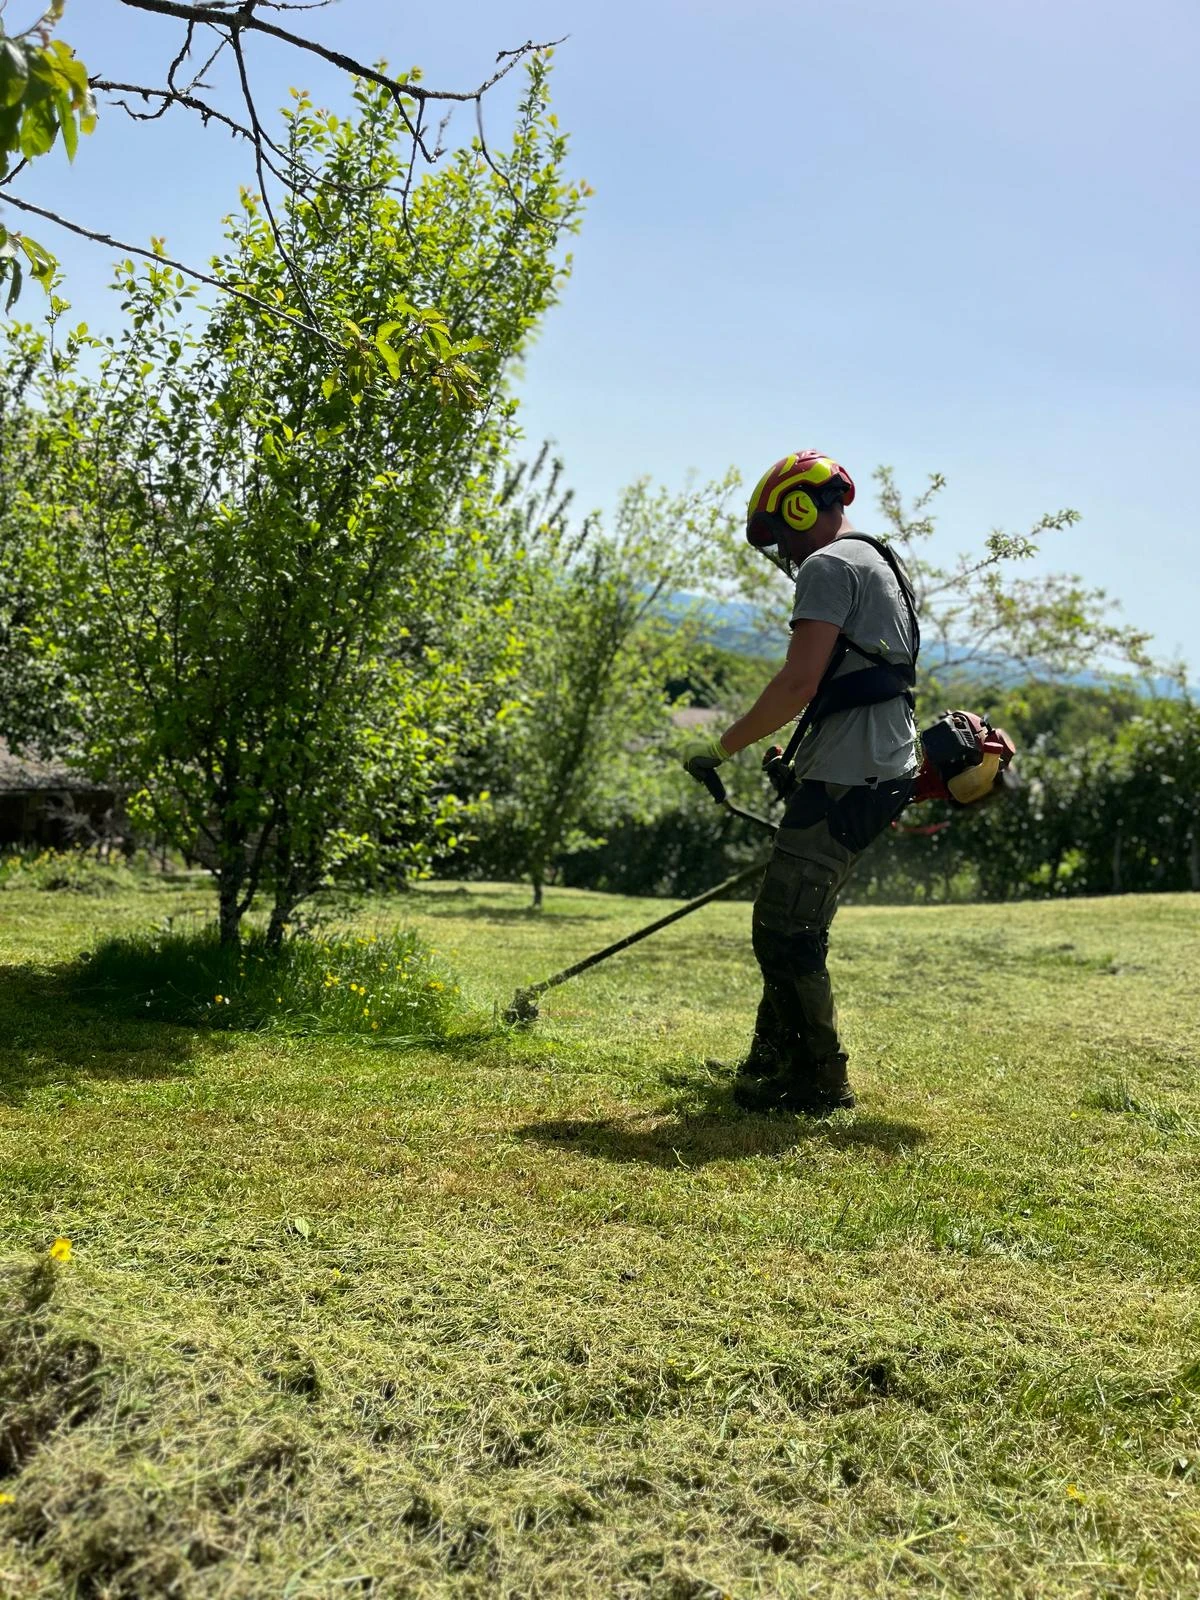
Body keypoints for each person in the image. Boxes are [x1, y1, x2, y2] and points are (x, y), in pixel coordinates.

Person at [680, 450, 919, 1116]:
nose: (783, 548)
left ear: (801, 508)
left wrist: (720, 747)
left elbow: (798, 680)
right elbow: (856, 678)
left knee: (786, 929)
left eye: (781, 531)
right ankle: (771, 1061)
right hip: (871, 768)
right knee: (793, 919)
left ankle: (820, 1080)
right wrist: (803, 754)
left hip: (853, 775)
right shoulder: (879, 561)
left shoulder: (828, 564)